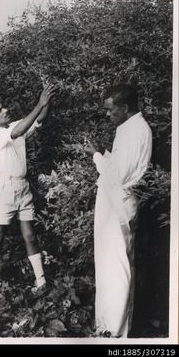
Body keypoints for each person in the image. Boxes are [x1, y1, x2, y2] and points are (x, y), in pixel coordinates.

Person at [84, 83, 152, 337]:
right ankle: (106, 326)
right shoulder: (127, 127)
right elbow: (120, 166)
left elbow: (120, 176)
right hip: (114, 199)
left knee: (117, 266)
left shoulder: (136, 131)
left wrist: (95, 156)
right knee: (108, 263)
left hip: (120, 201)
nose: (107, 115)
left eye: (110, 110)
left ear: (124, 108)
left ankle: (115, 331)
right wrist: (103, 153)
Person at [0, 83, 55, 291]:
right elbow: (19, 131)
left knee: (30, 234)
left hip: (23, 187)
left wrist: (46, 100)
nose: (5, 111)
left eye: (3, 107)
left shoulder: (14, 126)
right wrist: (39, 103)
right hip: (2, 189)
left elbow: (39, 119)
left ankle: (41, 281)